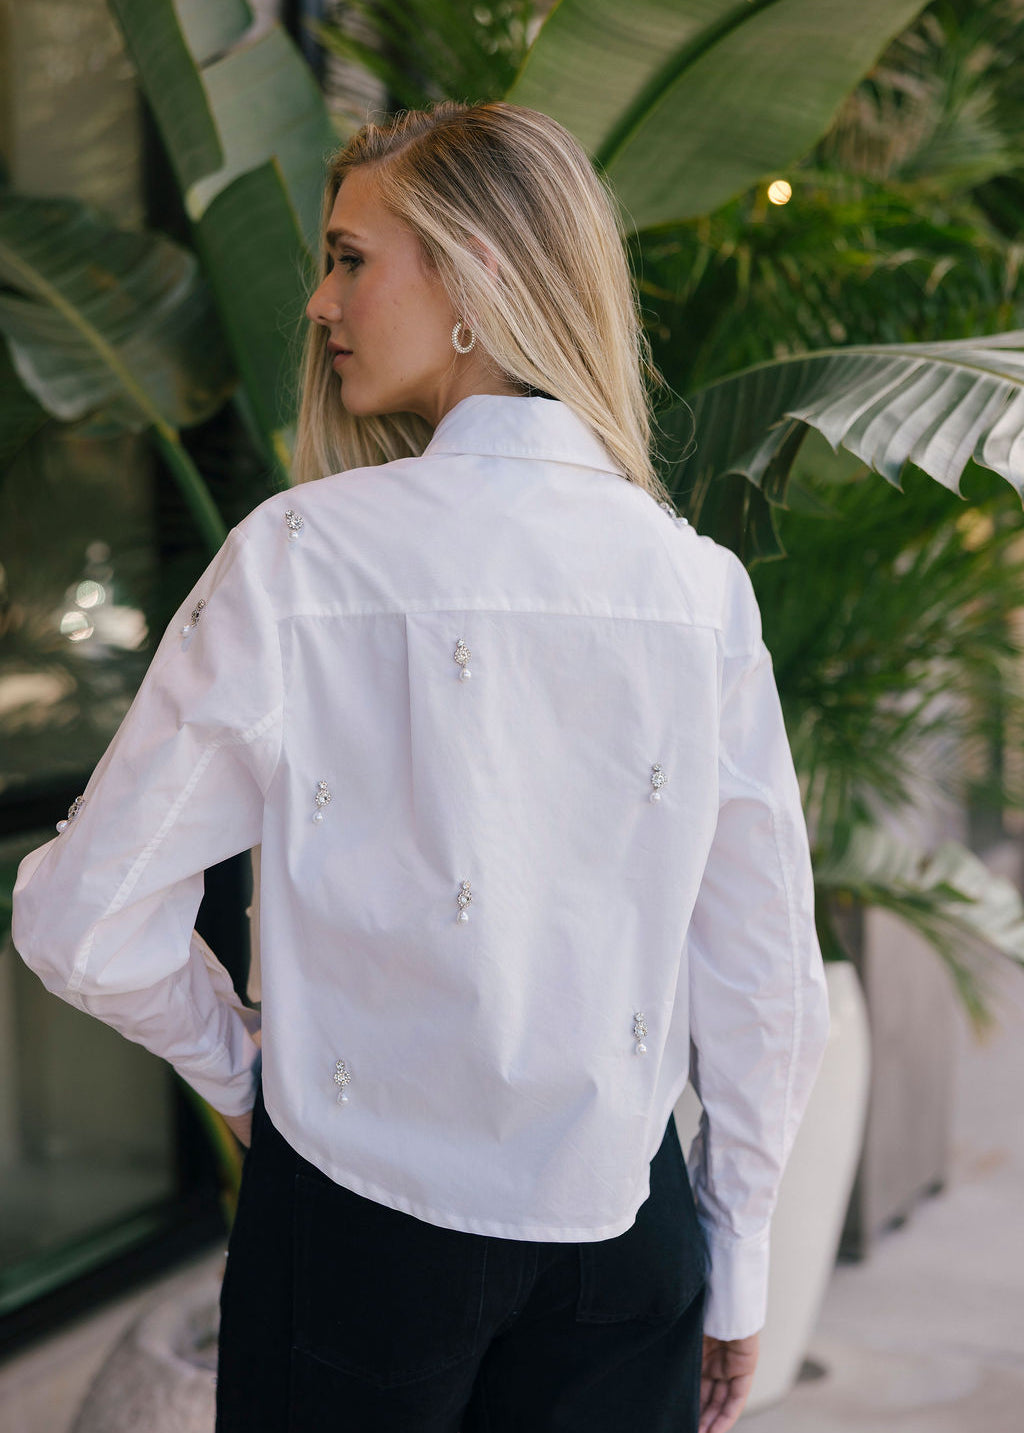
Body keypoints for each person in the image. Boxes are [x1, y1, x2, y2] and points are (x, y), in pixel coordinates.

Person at [11, 99, 831, 1432]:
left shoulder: (299, 560)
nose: (320, 303)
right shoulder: (697, 586)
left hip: (351, 1225)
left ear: (473, 274)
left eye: (350, 258)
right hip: (627, 1228)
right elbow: (763, 967)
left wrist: (245, 1074)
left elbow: (82, 915)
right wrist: (738, 1261)